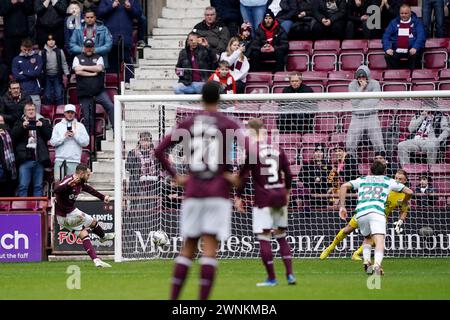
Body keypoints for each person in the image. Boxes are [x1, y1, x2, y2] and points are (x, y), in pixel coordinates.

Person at [154, 81, 246, 300]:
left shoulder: (188, 123)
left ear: (201, 98)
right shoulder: (228, 123)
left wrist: (176, 176)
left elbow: (159, 151)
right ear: (220, 99)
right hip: (218, 192)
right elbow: (252, 152)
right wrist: (237, 178)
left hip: (193, 191)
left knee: (188, 247)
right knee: (210, 248)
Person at [234, 118, 296, 286]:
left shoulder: (253, 151)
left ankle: (272, 278)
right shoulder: (278, 149)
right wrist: (287, 192)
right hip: (279, 196)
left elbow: (244, 176)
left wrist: (238, 196)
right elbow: (289, 175)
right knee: (281, 236)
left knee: (264, 237)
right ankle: (290, 275)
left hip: (263, 199)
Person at [337, 161, 413, 275]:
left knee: (367, 238)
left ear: (370, 171)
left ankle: (367, 262)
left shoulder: (362, 179)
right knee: (379, 240)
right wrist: (405, 201)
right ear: (385, 172)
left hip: (361, 213)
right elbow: (410, 191)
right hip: (377, 212)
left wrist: (342, 207)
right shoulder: (388, 181)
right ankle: (377, 265)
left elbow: (343, 186)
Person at [320, 168, 411, 262]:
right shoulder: (388, 184)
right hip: (366, 210)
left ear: (405, 181)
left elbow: (404, 210)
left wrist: (400, 220)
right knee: (347, 230)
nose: (397, 180)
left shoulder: (405, 195)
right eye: (396, 178)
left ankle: (356, 254)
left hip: (381, 216)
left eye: (400, 179)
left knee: (375, 239)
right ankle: (330, 247)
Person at [54, 164, 114, 268]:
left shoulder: (80, 183)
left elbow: (90, 189)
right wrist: (68, 185)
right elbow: (56, 189)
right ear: (81, 174)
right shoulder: (69, 179)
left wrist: (102, 197)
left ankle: (96, 260)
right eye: (87, 174)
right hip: (68, 215)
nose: (89, 176)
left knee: (86, 231)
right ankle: (103, 237)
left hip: (63, 218)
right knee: (89, 222)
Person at [73, 38, 114, 135]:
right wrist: (92, 73)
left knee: (111, 106)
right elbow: (77, 71)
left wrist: (83, 67)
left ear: (93, 48)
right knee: (87, 118)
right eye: (87, 47)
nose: (89, 49)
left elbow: (99, 68)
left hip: (99, 91)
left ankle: (115, 130)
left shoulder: (99, 57)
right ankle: (88, 143)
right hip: (84, 93)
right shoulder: (77, 58)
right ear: (84, 48)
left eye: (90, 47)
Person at [11, 102, 52, 197]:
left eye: (33, 109)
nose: (31, 111)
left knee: (38, 186)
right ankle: (23, 210)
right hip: (25, 160)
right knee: (23, 186)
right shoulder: (19, 122)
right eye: (29, 110)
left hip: (39, 160)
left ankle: (37, 210)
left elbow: (49, 135)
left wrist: (42, 126)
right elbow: (13, 136)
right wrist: (22, 127)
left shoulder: (42, 121)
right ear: (25, 112)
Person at [346, 65, 385, 160]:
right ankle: (351, 164)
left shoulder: (375, 84)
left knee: (378, 141)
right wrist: (361, 88)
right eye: (359, 77)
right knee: (350, 142)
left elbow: (374, 101)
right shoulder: (352, 85)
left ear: (367, 76)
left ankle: (381, 162)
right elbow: (354, 103)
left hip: (371, 115)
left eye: (363, 77)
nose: (361, 79)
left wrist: (360, 100)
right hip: (357, 116)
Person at [97, 0, 143, 74]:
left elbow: (139, 14)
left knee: (126, 60)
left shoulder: (132, 1)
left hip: (125, 36)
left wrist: (130, 8)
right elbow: (99, 13)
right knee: (112, 61)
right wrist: (111, 6)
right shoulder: (106, 1)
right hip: (110, 37)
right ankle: (113, 83)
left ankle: (129, 82)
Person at [50, 104, 89, 181]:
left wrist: (75, 136)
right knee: (59, 184)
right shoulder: (58, 126)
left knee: (73, 186)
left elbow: (86, 142)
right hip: (60, 160)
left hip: (74, 160)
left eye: (72, 112)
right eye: (68, 112)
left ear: (74, 114)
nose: (70, 114)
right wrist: (63, 137)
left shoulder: (80, 126)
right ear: (64, 113)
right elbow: (52, 142)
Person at [382, 4, 426, 70]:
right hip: (397, 49)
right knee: (388, 56)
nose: (404, 15)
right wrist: (387, 48)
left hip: (411, 49)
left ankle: (410, 76)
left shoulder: (417, 22)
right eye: (402, 13)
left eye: (406, 13)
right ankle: (395, 75)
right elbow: (386, 36)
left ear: (410, 13)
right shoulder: (393, 23)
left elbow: (421, 36)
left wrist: (415, 47)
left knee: (415, 55)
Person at [125, 132, 159, 212]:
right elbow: (128, 167)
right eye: (143, 140)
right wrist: (135, 159)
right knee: (138, 209)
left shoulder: (156, 152)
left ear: (150, 142)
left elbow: (160, 167)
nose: (145, 143)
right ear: (139, 141)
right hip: (138, 185)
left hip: (153, 185)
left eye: (147, 140)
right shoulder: (133, 153)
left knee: (151, 209)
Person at [11, 39, 44, 113]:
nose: (26, 52)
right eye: (24, 49)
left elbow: (37, 73)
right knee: (23, 116)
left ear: (32, 48)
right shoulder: (16, 59)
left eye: (28, 50)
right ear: (21, 47)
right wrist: (31, 74)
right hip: (22, 92)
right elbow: (16, 76)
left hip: (35, 91)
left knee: (37, 115)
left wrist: (23, 72)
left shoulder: (37, 58)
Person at [0, 0, 34, 66]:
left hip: (23, 35)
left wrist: (23, 1)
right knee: (9, 60)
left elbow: (30, 11)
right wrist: (11, 2)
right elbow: (2, 12)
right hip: (9, 35)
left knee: (24, 60)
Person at [41, 34, 71, 106]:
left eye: (53, 40)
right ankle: (47, 112)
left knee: (59, 94)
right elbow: (40, 65)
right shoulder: (42, 52)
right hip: (46, 76)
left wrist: (67, 73)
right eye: (49, 40)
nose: (51, 42)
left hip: (57, 76)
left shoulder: (60, 51)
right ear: (46, 42)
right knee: (47, 95)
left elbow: (64, 63)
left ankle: (60, 110)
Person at [0, 115, 17, 197]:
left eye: (2, 121)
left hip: (9, 166)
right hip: (1, 167)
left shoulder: (8, 133)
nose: (0, 124)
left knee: (8, 192)